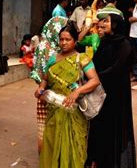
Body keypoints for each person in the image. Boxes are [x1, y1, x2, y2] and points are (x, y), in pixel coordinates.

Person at [35, 22, 100, 167]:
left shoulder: (81, 58)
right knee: (52, 142)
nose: (63, 43)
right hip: (54, 109)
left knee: (74, 146)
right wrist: (40, 88)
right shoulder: (53, 58)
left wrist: (76, 92)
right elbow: (45, 79)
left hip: (73, 111)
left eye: (68, 39)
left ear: (75, 41)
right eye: (61, 39)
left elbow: (95, 80)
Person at [87, 13, 137, 168]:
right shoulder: (105, 41)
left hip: (116, 92)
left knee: (113, 126)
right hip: (101, 90)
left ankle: (112, 162)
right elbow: (95, 62)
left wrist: (97, 77)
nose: (103, 24)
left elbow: (117, 67)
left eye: (107, 21)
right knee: (100, 124)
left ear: (115, 24)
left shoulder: (124, 44)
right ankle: (97, 159)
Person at [31, 15, 69, 153]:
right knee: (55, 127)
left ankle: (44, 156)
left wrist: (41, 86)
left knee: (43, 126)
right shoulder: (55, 50)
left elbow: (36, 74)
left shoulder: (41, 45)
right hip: (55, 95)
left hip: (43, 93)